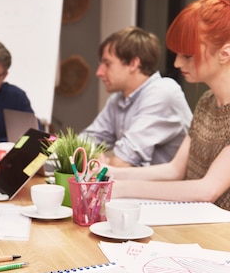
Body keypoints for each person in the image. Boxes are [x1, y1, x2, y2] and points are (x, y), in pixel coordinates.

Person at [109, 0, 230, 236]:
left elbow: (207, 189)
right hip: (209, 228)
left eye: (187, 55)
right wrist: (111, 174)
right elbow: (176, 170)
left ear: (224, 53)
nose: (177, 63)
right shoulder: (207, 102)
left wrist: (120, 188)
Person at [81, 26, 193, 167]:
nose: (99, 72)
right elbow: (81, 142)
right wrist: (93, 152)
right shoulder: (117, 100)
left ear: (133, 64)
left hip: (173, 188)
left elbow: (121, 164)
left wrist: (99, 160)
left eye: (107, 64)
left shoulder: (163, 92)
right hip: (141, 187)